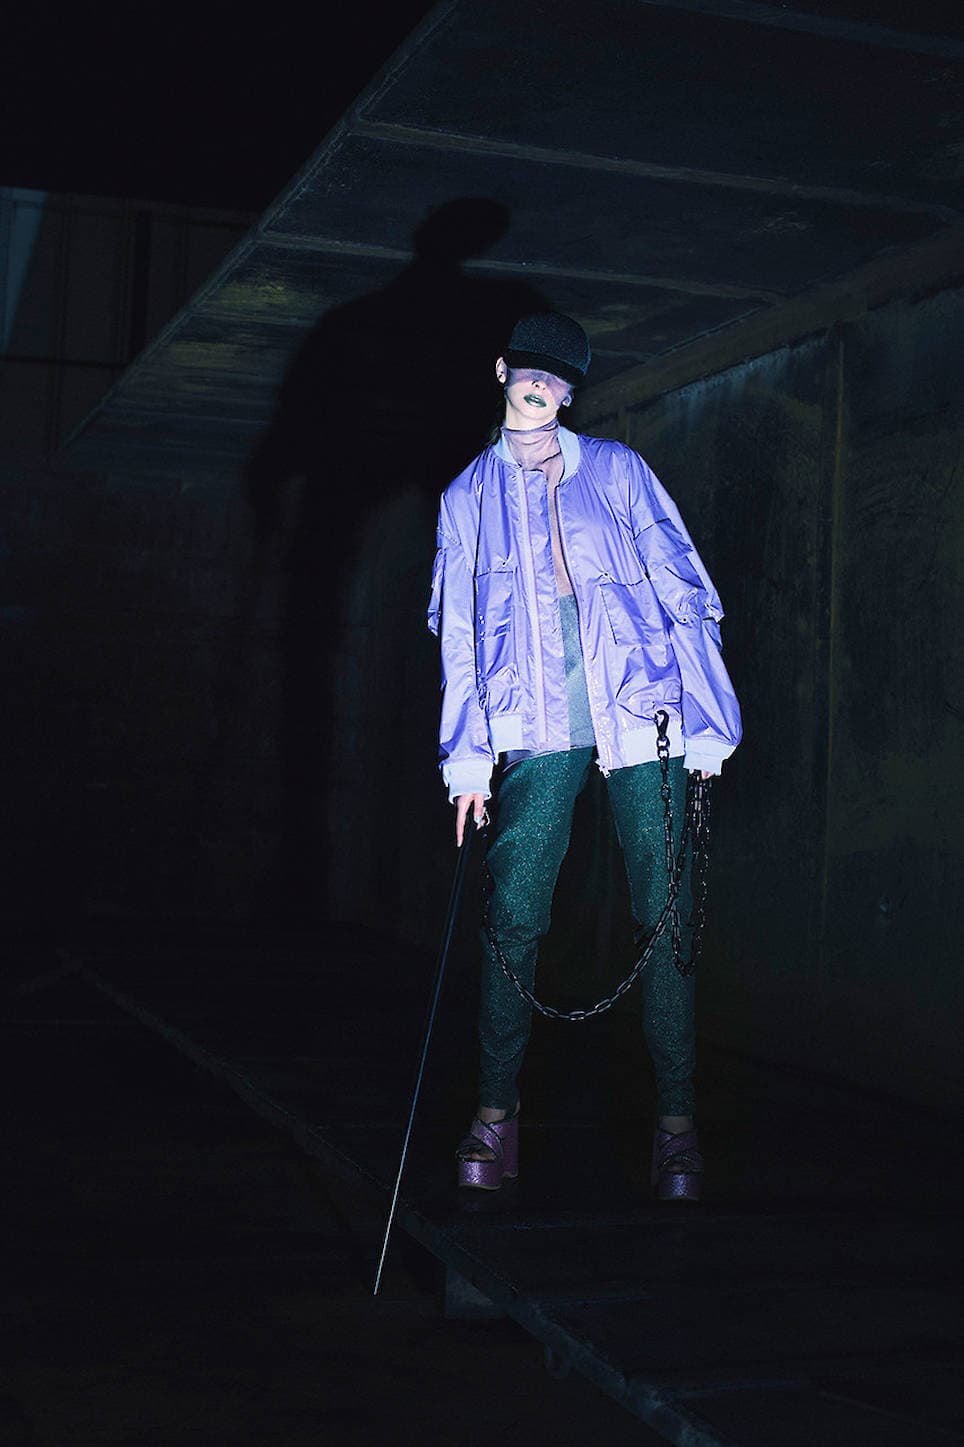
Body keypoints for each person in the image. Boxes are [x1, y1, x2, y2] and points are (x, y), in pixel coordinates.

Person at [427, 313, 741, 1200]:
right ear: (503, 371)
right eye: (532, 372)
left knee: (667, 910)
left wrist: (710, 719)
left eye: (560, 380)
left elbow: (684, 585)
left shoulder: (618, 471)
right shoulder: (465, 498)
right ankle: (496, 1113)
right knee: (513, 909)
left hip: (646, 708)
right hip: (535, 715)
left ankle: (676, 1125)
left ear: (571, 393)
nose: (543, 388)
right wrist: (466, 760)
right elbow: (458, 637)